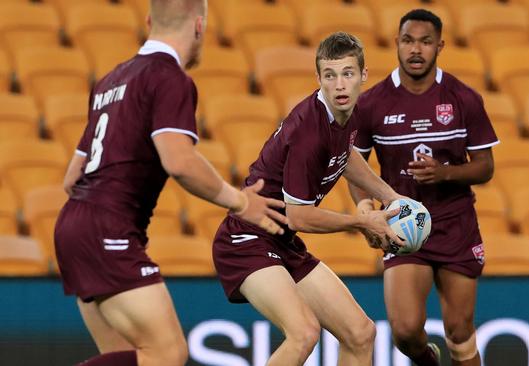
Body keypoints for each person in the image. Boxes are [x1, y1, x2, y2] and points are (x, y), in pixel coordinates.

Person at [54, 1, 288, 365]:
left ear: (149, 21)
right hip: (108, 227)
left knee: (126, 357)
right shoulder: (169, 78)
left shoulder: (110, 80)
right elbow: (179, 161)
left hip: (74, 224)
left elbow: (71, 179)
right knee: (168, 355)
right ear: (199, 26)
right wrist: (241, 202)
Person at [212, 32, 406, 366]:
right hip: (246, 239)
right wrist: (361, 222)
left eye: (347, 73)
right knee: (303, 333)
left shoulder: (352, 112)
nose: (340, 85)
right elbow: (299, 216)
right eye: (330, 76)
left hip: (282, 241)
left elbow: (344, 155)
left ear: (363, 75)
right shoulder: (309, 133)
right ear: (318, 79)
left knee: (361, 333)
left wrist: (391, 196)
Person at [349, 9, 500, 366]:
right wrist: (365, 209)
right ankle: (427, 360)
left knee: (460, 332)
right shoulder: (372, 103)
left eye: (425, 42)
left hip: (455, 223)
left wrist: (444, 173)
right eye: (408, 41)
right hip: (403, 223)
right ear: (396, 44)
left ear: (440, 46)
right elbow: (354, 168)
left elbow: (486, 167)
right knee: (404, 330)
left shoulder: (464, 98)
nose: (416, 49)